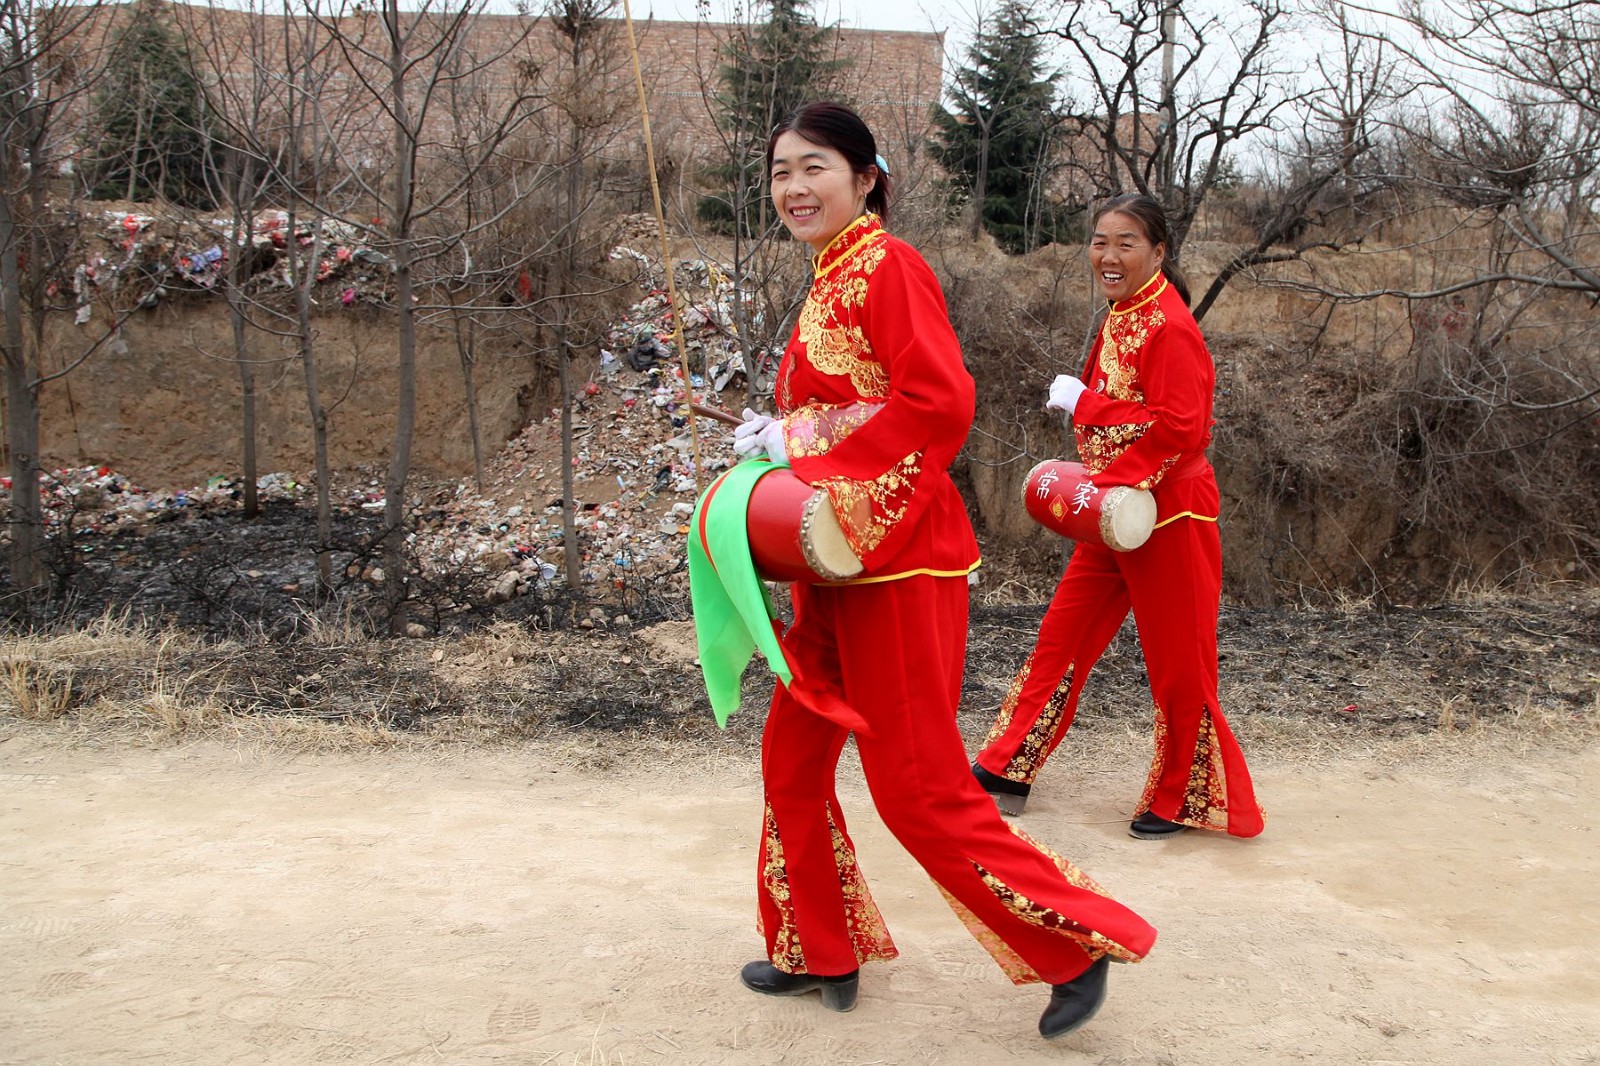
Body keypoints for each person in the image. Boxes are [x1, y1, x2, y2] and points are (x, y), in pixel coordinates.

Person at [724, 102, 1157, 1041]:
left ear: (866, 176)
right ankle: (815, 947)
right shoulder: (828, 273)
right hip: (833, 562)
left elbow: (938, 401)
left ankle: (1075, 942)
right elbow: (853, 403)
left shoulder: (888, 266)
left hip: (901, 566)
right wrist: (775, 453)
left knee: (917, 790)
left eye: (815, 169)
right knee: (792, 760)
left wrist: (796, 433)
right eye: (780, 172)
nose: (794, 188)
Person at [971, 194, 1267, 841]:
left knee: (1179, 661)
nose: (1108, 255)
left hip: (1168, 513)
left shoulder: (1169, 324)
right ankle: (1007, 764)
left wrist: (1089, 409)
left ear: (1158, 252)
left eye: (1125, 243)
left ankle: (1181, 796)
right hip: (1117, 507)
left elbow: (1183, 428)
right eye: (1100, 241)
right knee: (1063, 636)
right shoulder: (1121, 313)